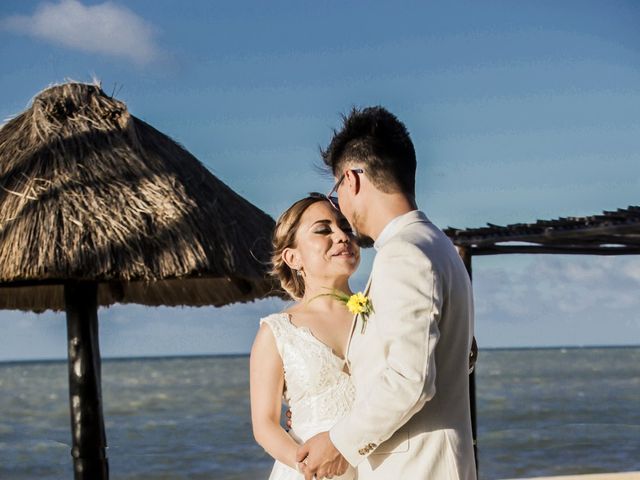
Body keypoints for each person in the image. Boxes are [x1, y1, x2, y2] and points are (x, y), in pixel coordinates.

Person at [296, 107, 477, 480]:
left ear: (352, 180)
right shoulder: (439, 246)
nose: (340, 206)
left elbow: (411, 379)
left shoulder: (403, 254)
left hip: (415, 469)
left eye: (336, 192)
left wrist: (338, 443)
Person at [250, 195, 361, 480]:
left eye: (346, 227)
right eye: (323, 230)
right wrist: (305, 466)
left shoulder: (381, 314)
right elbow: (264, 425)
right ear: (293, 257)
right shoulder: (278, 331)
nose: (341, 236)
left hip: (383, 466)